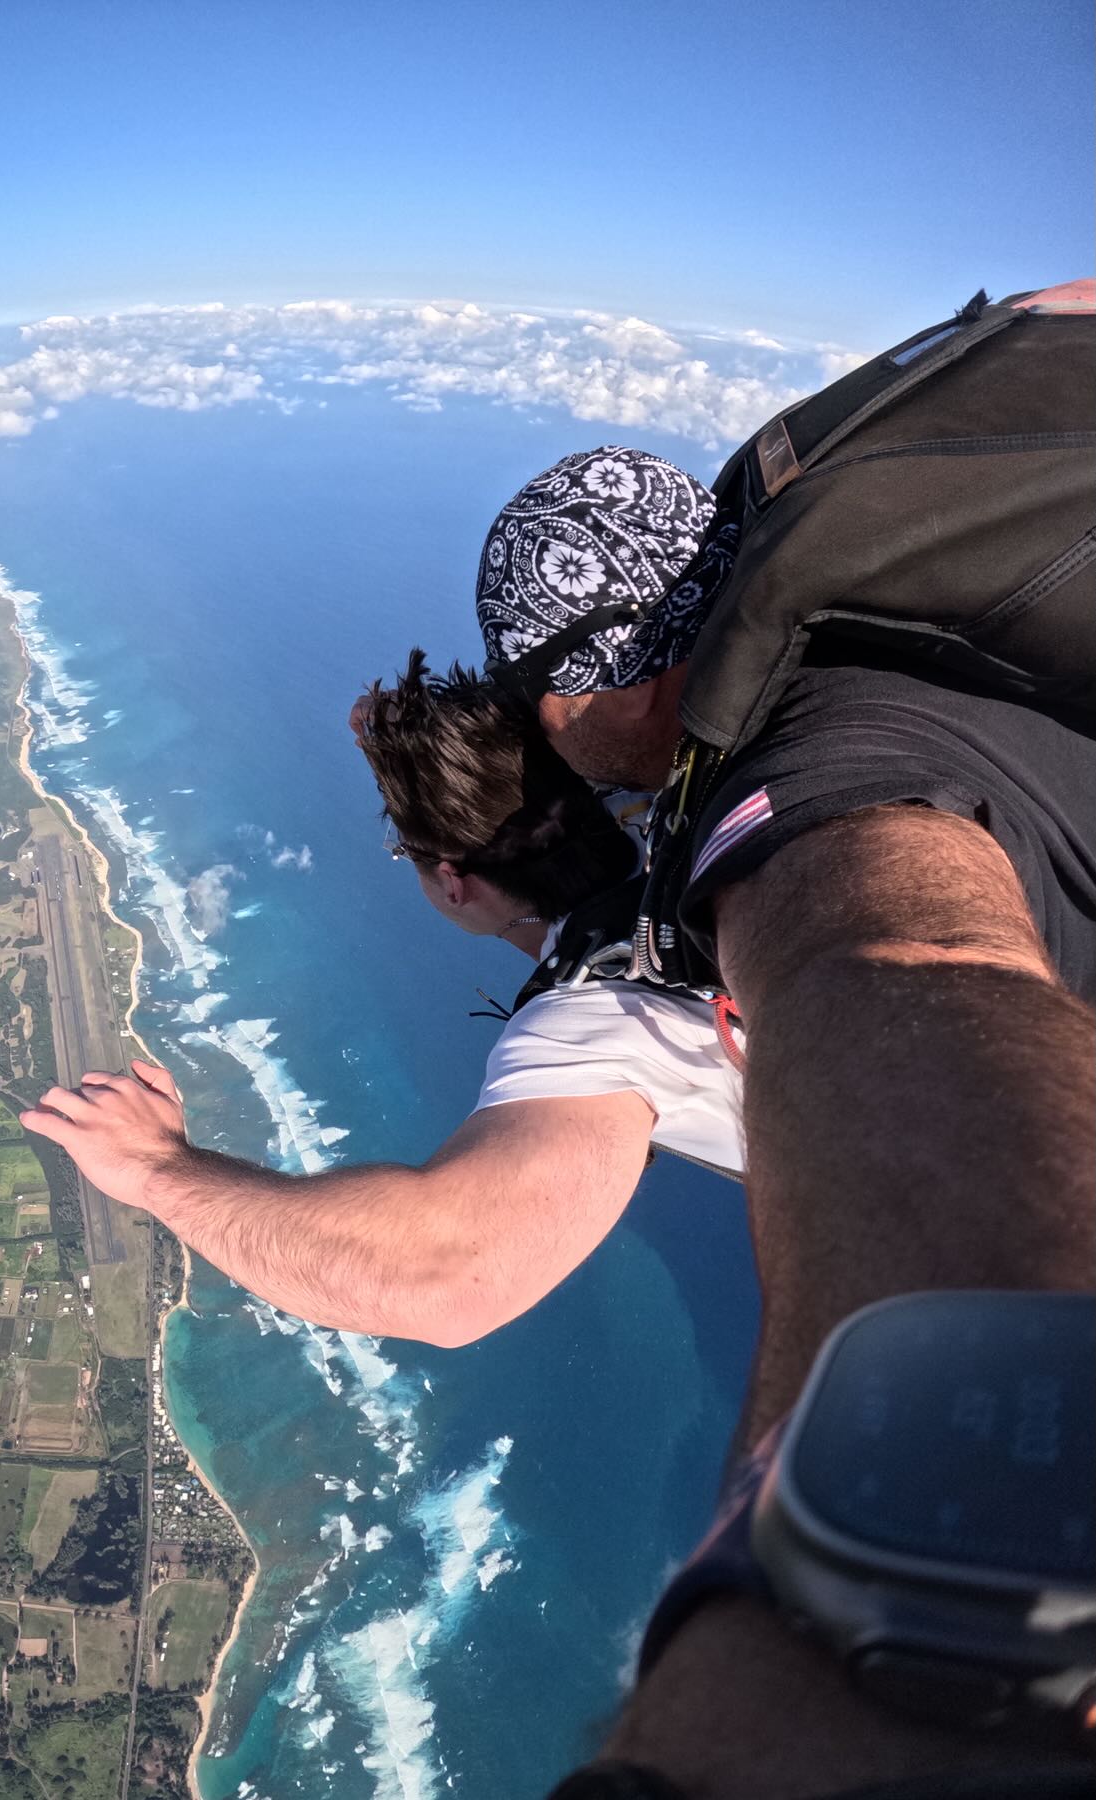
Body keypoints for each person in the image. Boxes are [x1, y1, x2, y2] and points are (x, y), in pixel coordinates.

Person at [470, 443, 1096, 1795]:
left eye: (535, 693)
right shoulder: (872, 649)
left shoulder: (804, 777)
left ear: (594, 675)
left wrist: (839, 1649)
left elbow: (908, 961)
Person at [19, 645, 746, 1355]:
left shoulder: (592, 1024)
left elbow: (446, 1281)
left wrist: (153, 1166)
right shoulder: (692, 819)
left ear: (452, 882)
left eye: (409, 857)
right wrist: (408, 748)